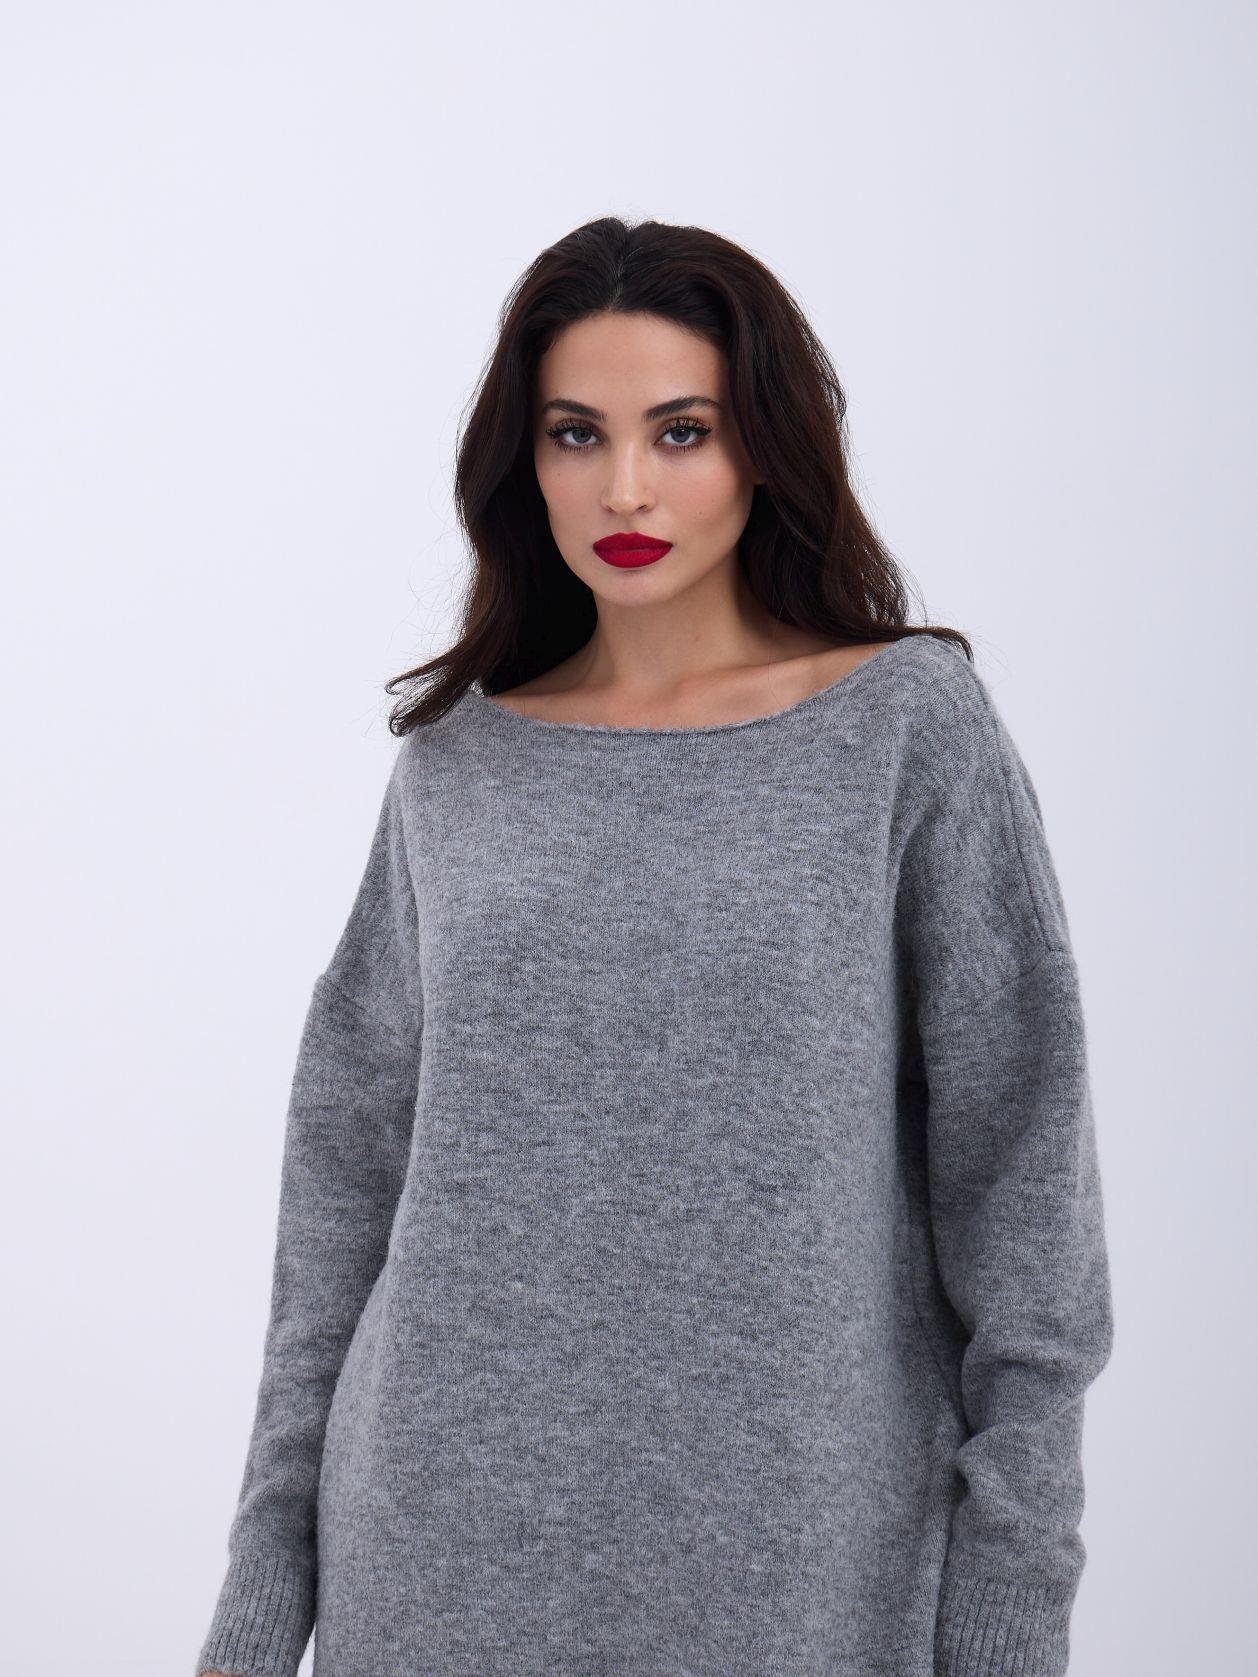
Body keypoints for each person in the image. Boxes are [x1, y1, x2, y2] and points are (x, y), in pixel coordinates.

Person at [196, 216, 1114, 1677]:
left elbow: (1024, 1191)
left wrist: (1010, 1613)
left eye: (680, 431)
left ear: (763, 447)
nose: (624, 486)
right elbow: (344, 1193)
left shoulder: (905, 730)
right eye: (577, 434)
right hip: (434, 1559)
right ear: (525, 461)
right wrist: (260, 1603)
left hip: (805, 1570)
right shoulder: (458, 764)